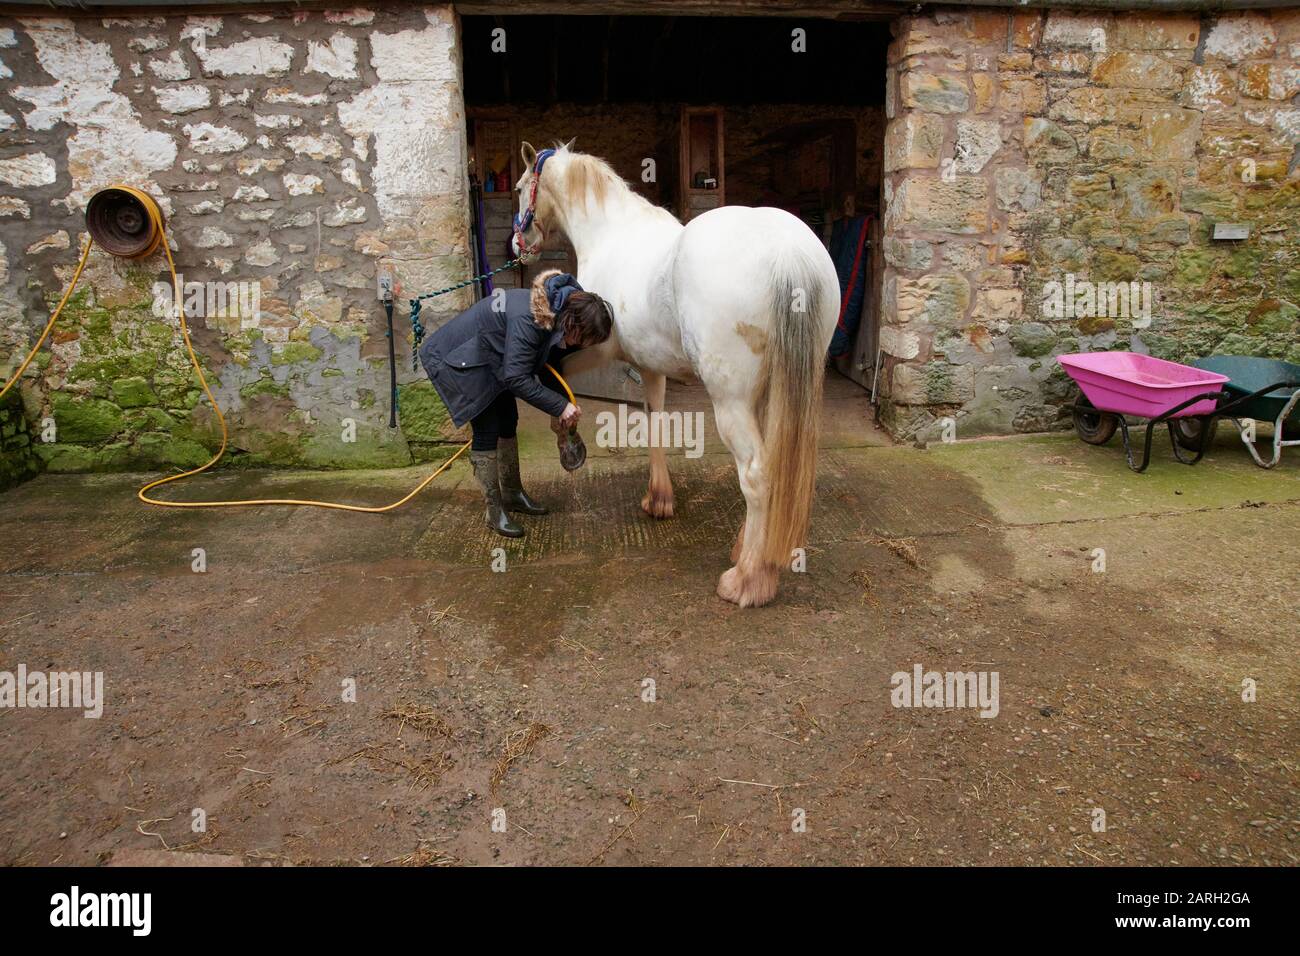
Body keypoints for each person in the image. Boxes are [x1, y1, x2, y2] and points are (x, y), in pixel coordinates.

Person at [418, 269, 613, 538]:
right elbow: (517, 377)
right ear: (574, 324)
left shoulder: (555, 313)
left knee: (509, 420)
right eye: (582, 339)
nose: (578, 346)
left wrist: (563, 403)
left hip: (494, 358)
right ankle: (494, 510)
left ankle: (512, 494)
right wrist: (559, 407)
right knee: (488, 427)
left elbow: (545, 366)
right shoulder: (530, 319)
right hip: (460, 360)